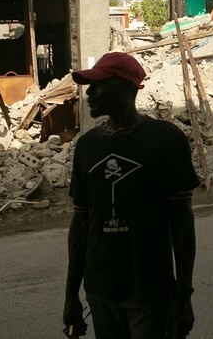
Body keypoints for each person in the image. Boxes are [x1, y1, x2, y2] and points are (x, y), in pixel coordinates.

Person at [63, 51, 199, 339]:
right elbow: (81, 225)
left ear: (125, 88)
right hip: (101, 291)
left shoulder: (165, 139)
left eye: (99, 84)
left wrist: (183, 294)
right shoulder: (86, 147)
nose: (90, 92)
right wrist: (71, 295)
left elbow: (182, 222)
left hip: (149, 292)